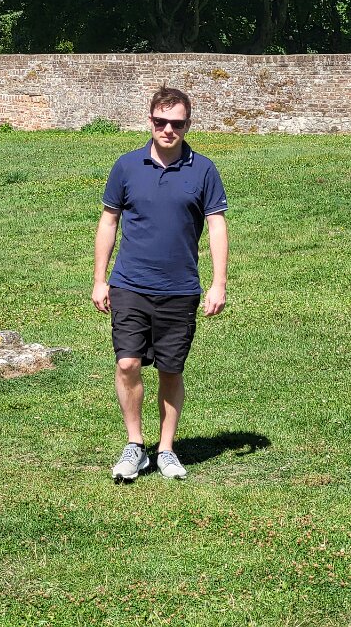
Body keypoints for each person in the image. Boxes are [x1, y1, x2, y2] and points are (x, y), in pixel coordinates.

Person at [92, 87, 229, 482]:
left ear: (188, 125)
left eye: (177, 123)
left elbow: (217, 226)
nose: (169, 129)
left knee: (171, 369)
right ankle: (135, 445)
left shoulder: (203, 170)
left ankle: (166, 449)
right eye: (161, 122)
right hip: (129, 283)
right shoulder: (127, 166)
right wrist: (100, 280)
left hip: (180, 288)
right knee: (127, 362)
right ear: (149, 120)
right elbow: (109, 221)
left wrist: (218, 283)